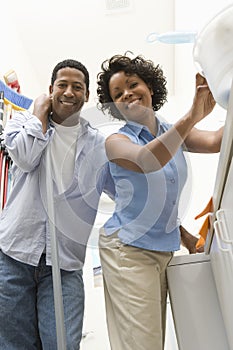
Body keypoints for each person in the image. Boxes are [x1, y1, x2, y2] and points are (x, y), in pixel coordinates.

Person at [96, 53, 223, 350]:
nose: (127, 93)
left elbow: (218, 140)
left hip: (161, 251)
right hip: (127, 252)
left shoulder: (169, 131)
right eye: (118, 94)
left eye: (132, 84)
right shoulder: (116, 142)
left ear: (150, 87)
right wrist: (192, 114)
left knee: (153, 341)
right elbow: (146, 161)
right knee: (143, 344)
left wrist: (187, 238)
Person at [0, 59, 114, 349]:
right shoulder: (21, 123)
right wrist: (38, 113)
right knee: (14, 344)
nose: (69, 92)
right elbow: (25, 158)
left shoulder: (99, 145)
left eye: (78, 87)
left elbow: (127, 194)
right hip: (15, 255)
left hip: (64, 265)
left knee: (61, 343)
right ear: (50, 90)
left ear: (86, 95)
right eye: (62, 85)